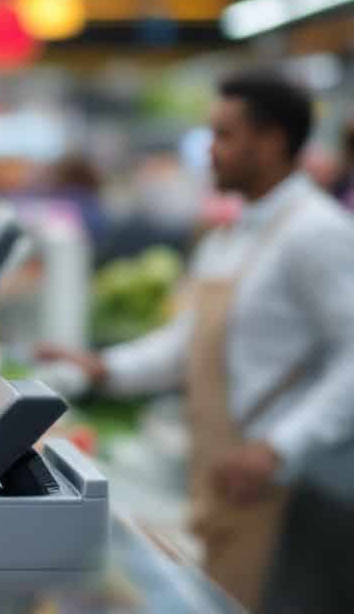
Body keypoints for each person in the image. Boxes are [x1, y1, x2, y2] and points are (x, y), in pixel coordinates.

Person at [41, 71, 354, 612]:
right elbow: (189, 343)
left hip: (282, 490)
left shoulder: (317, 233)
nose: (209, 151)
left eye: (224, 136)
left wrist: (279, 448)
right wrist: (104, 368)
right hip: (222, 477)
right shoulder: (231, 235)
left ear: (273, 141)